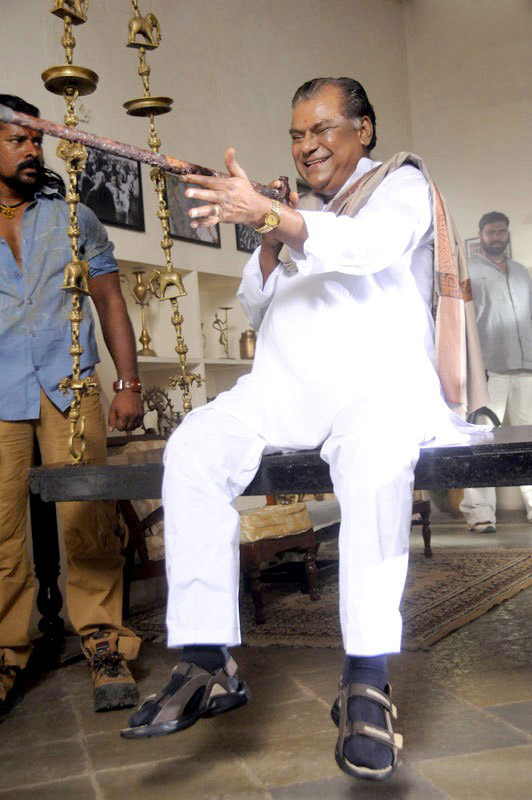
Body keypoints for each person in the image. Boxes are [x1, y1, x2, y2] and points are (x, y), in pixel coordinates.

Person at [121, 77, 486, 780]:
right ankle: (206, 659)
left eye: (322, 129)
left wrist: (277, 218)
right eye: (297, 134)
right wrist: (268, 237)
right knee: (193, 446)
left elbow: (369, 246)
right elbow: (257, 303)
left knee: (375, 459)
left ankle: (365, 679)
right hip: (282, 389)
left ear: (364, 129)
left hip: (374, 391)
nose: (307, 145)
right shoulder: (294, 211)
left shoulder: (400, 184)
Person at [0, 95, 144, 717]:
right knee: (1, 530)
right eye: (17, 139)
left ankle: (105, 644)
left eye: (36, 139)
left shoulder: (74, 217)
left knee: (87, 518)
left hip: (72, 383)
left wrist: (128, 383)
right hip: (1, 391)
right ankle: (7, 652)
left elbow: (110, 300)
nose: (33, 150)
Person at [460, 211, 532, 533]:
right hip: (490, 370)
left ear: (507, 234)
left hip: (526, 368)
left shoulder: (522, 273)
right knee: (484, 441)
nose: (496, 236)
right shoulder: (470, 270)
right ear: (481, 235)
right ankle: (480, 513)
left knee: (529, 441)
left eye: (501, 231)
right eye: (490, 232)